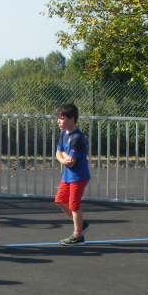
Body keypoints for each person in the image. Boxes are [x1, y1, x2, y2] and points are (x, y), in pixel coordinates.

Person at [53, 102, 91, 245]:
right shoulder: (63, 134)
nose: (59, 122)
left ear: (72, 119)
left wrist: (63, 157)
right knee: (60, 200)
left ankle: (78, 235)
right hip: (68, 176)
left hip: (78, 177)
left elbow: (72, 162)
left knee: (74, 205)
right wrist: (63, 157)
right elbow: (58, 153)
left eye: (62, 118)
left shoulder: (77, 138)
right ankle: (81, 224)